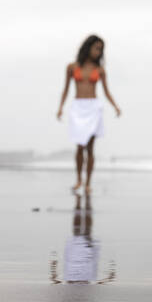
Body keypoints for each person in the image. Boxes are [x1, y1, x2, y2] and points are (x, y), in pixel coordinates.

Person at [56, 35, 121, 194]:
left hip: (93, 108)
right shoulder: (72, 67)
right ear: (88, 47)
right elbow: (66, 89)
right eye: (96, 48)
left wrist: (115, 107)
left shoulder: (99, 70)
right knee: (79, 146)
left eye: (101, 50)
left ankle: (88, 183)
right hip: (78, 107)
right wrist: (60, 107)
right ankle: (79, 179)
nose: (98, 52)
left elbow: (106, 91)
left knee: (90, 148)